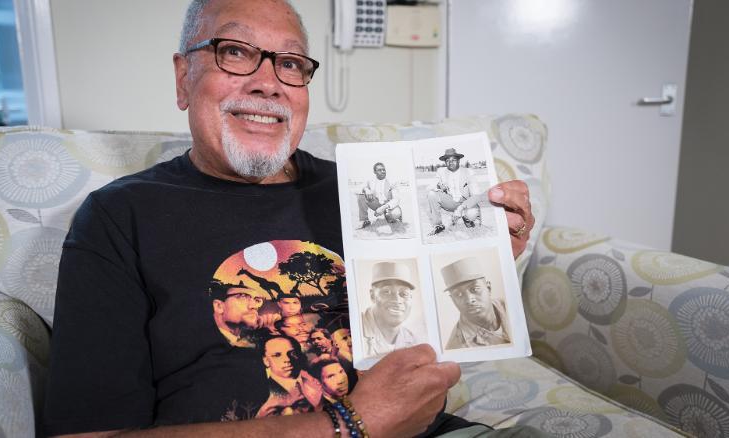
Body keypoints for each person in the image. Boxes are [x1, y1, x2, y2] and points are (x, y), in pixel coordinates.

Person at [43, 0, 537, 436]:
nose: (267, 83)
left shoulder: (361, 191)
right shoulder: (118, 217)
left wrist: (481, 255)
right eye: (234, 51)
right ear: (182, 78)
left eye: (290, 63)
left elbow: (423, 329)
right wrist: (350, 425)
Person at [442, 257, 511, 349]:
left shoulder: (509, 306)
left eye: (474, 289)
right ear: (453, 300)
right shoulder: (457, 347)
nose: (470, 300)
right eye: (458, 294)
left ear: (488, 288)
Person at [361, 261, 419, 356]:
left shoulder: (412, 339)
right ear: (372, 296)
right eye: (386, 292)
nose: (396, 300)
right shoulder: (352, 331)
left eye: (404, 294)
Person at [257, 335, 323, 417]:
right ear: (266, 361)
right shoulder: (261, 395)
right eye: (277, 355)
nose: (287, 359)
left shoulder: (315, 381)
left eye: (292, 353)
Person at [427, 148, 486, 235]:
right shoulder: (441, 171)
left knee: (472, 213)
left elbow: (476, 195)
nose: (450, 162)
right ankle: (438, 225)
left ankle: (467, 218)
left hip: (466, 203)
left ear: (459, 160)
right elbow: (429, 187)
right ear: (445, 162)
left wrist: (460, 209)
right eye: (447, 160)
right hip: (451, 202)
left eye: (453, 160)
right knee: (431, 194)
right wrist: (438, 186)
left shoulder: (468, 172)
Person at [209, 279, 268, 347]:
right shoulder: (205, 341)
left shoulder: (250, 344)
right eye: (243, 296)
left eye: (257, 300)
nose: (254, 306)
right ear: (218, 306)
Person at [357, 162, 401, 228]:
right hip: (376, 204)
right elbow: (362, 188)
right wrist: (366, 190)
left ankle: (392, 217)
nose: (383, 171)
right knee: (361, 196)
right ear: (374, 172)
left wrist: (384, 207)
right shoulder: (370, 181)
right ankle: (365, 220)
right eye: (379, 170)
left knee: (395, 214)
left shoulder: (392, 182)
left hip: (388, 206)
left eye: (384, 169)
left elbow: (396, 199)